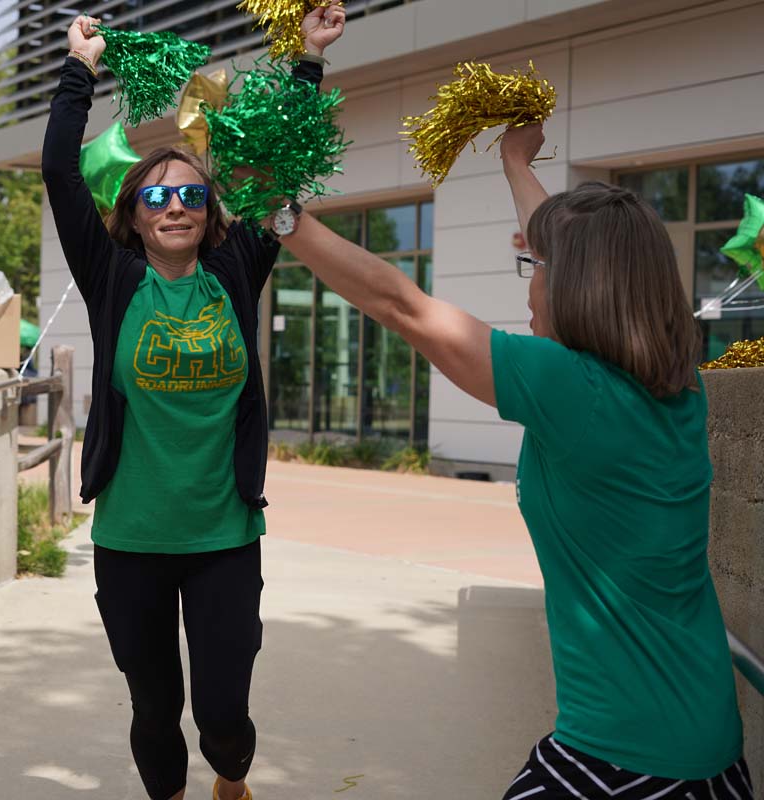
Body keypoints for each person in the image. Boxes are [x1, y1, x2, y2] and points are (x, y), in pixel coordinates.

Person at [275, 123, 751, 798]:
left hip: (626, 759)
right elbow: (566, 246)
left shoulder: (570, 389)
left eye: (534, 267)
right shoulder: (677, 387)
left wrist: (278, 211)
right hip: (709, 744)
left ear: (577, 285)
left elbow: (400, 305)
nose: (527, 283)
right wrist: (513, 160)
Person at [41, 7, 345, 800]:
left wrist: (307, 57)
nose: (175, 205)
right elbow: (59, 173)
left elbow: (287, 168)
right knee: (153, 704)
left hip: (223, 534)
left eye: (190, 195)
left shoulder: (238, 269)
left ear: (211, 214)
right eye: (156, 196)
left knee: (223, 713)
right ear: (134, 214)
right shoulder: (114, 279)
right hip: (132, 536)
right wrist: (81, 68)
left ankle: (231, 778)